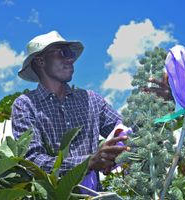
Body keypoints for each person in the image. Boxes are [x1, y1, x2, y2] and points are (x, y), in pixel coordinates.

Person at [12, 30, 172, 194]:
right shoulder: (25, 105)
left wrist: (160, 105)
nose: (71, 59)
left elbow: (129, 135)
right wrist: (87, 163)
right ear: (40, 61)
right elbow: (32, 161)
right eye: (64, 53)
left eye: (72, 54)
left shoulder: (91, 100)